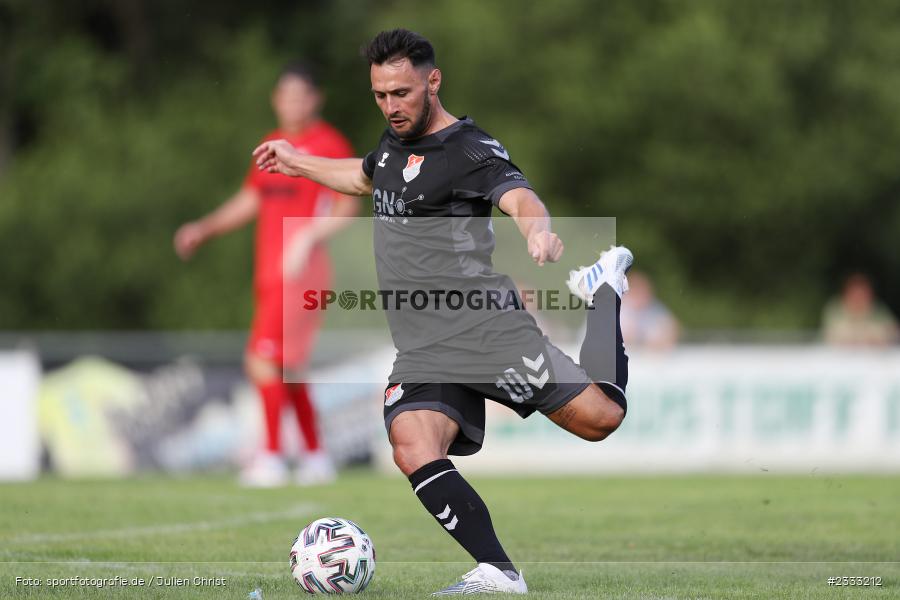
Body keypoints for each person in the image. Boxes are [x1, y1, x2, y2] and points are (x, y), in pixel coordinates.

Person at [252, 30, 631, 594]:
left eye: (401, 93)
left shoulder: (470, 148)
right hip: (424, 346)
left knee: (601, 420)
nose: (391, 105)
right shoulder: (391, 144)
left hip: (484, 329)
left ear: (433, 81)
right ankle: (500, 573)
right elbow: (362, 175)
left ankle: (605, 290)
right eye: (380, 94)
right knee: (411, 444)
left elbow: (520, 197)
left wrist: (539, 234)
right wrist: (297, 163)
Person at [174, 62, 357, 487]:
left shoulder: (328, 144)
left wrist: (307, 236)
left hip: (302, 275)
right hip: (271, 275)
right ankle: (315, 457)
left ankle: (271, 457)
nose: (293, 102)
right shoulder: (271, 145)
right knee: (287, 366)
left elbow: (348, 206)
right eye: (285, 94)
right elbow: (250, 198)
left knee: (260, 361)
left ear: (316, 99)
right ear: (276, 99)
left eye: (301, 95)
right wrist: (204, 228)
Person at [822, 273, 898, 346]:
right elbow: (831, 334)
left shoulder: (878, 310)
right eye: (855, 293)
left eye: (862, 293)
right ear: (847, 293)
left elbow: (893, 331)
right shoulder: (835, 309)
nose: (858, 298)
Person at [620, 270, 680, 350]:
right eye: (637, 290)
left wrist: (662, 340)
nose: (642, 295)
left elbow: (673, 328)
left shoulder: (653, 308)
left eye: (643, 291)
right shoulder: (619, 309)